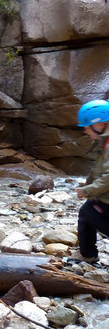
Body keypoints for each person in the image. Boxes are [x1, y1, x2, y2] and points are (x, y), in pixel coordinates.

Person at [71, 99, 109, 264]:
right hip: (104, 196)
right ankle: (88, 254)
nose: (86, 131)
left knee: (87, 213)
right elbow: (98, 170)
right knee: (88, 211)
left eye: (87, 127)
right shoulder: (104, 143)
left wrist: (88, 190)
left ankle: (88, 255)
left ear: (100, 124)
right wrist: (88, 187)